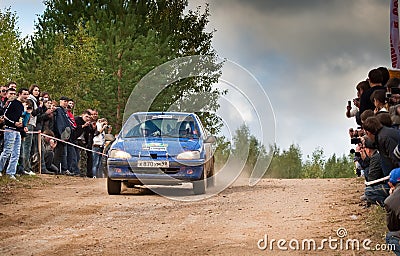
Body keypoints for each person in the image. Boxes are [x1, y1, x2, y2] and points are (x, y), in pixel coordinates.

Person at [0, 88, 29, 180]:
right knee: (7, 151)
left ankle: (11, 172)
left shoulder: (22, 106)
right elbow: (5, 116)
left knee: (16, 152)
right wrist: (13, 123)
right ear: (19, 94)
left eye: (27, 94)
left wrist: (23, 126)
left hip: (17, 131)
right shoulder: (12, 103)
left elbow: (20, 118)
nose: (26, 96)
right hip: (10, 130)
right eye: (24, 94)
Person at [360, 137, 390, 207]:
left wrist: (365, 159)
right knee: (367, 170)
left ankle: (387, 205)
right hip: (388, 181)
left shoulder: (376, 157)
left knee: (368, 192)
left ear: (368, 150)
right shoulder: (378, 154)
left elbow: (371, 179)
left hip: (389, 184)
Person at [52, 96, 73, 175]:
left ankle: (62, 169)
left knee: (63, 153)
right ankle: (56, 169)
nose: (66, 103)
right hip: (59, 135)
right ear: (60, 101)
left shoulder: (64, 111)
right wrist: (62, 135)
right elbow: (59, 123)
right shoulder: (59, 110)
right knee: (58, 153)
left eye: (67, 101)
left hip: (64, 135)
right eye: (64, 101)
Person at [384, 168, 400, 255]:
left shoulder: (390, 201)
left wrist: (391, 196)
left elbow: (392, 226)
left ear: (391, 184)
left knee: (391, 237)